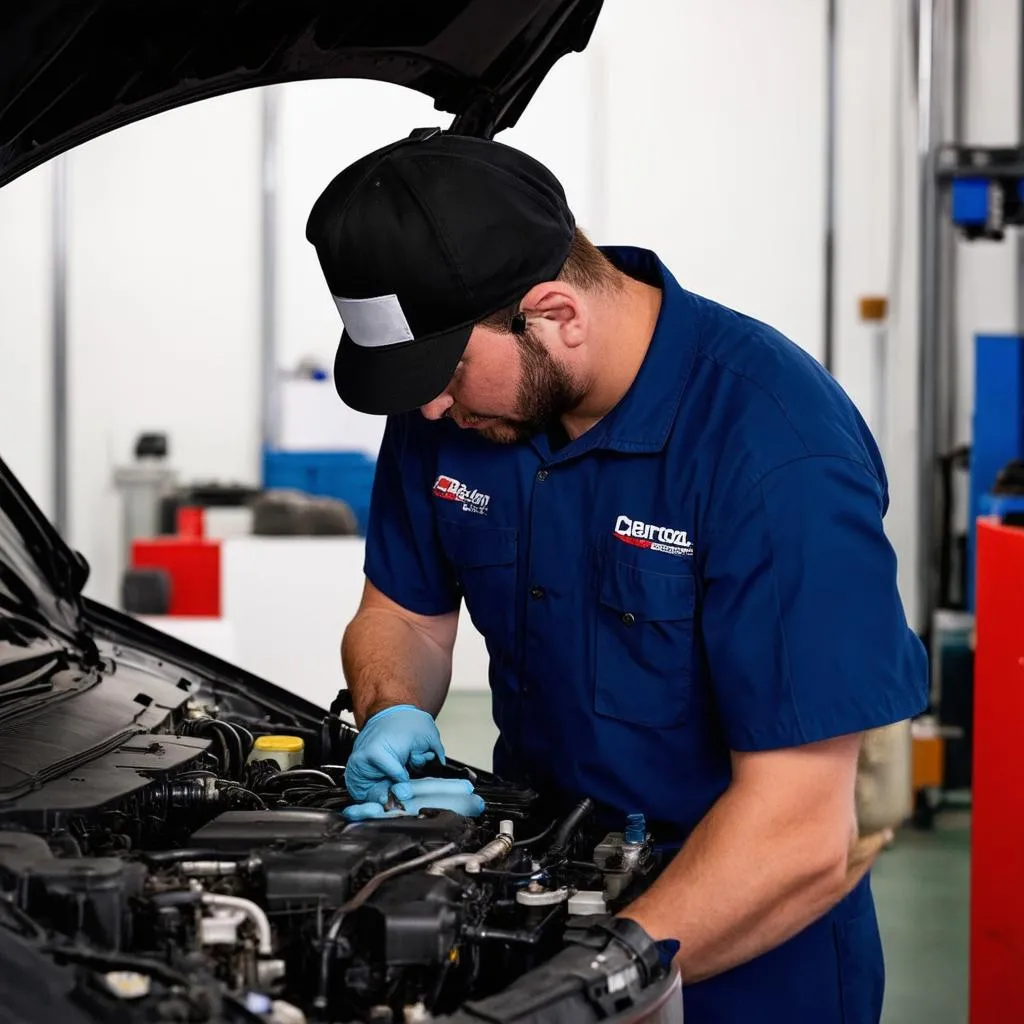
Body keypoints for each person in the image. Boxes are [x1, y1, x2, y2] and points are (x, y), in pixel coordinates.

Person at [304, 129, 929, 1023]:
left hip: (743, 955)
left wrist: (586, 989)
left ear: (555, 313)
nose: (429, 407)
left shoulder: (775, 445)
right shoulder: (451, 412)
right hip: (539, 906)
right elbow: (400, 614)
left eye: (442, 373)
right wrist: (392, 706)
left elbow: (806, 831)